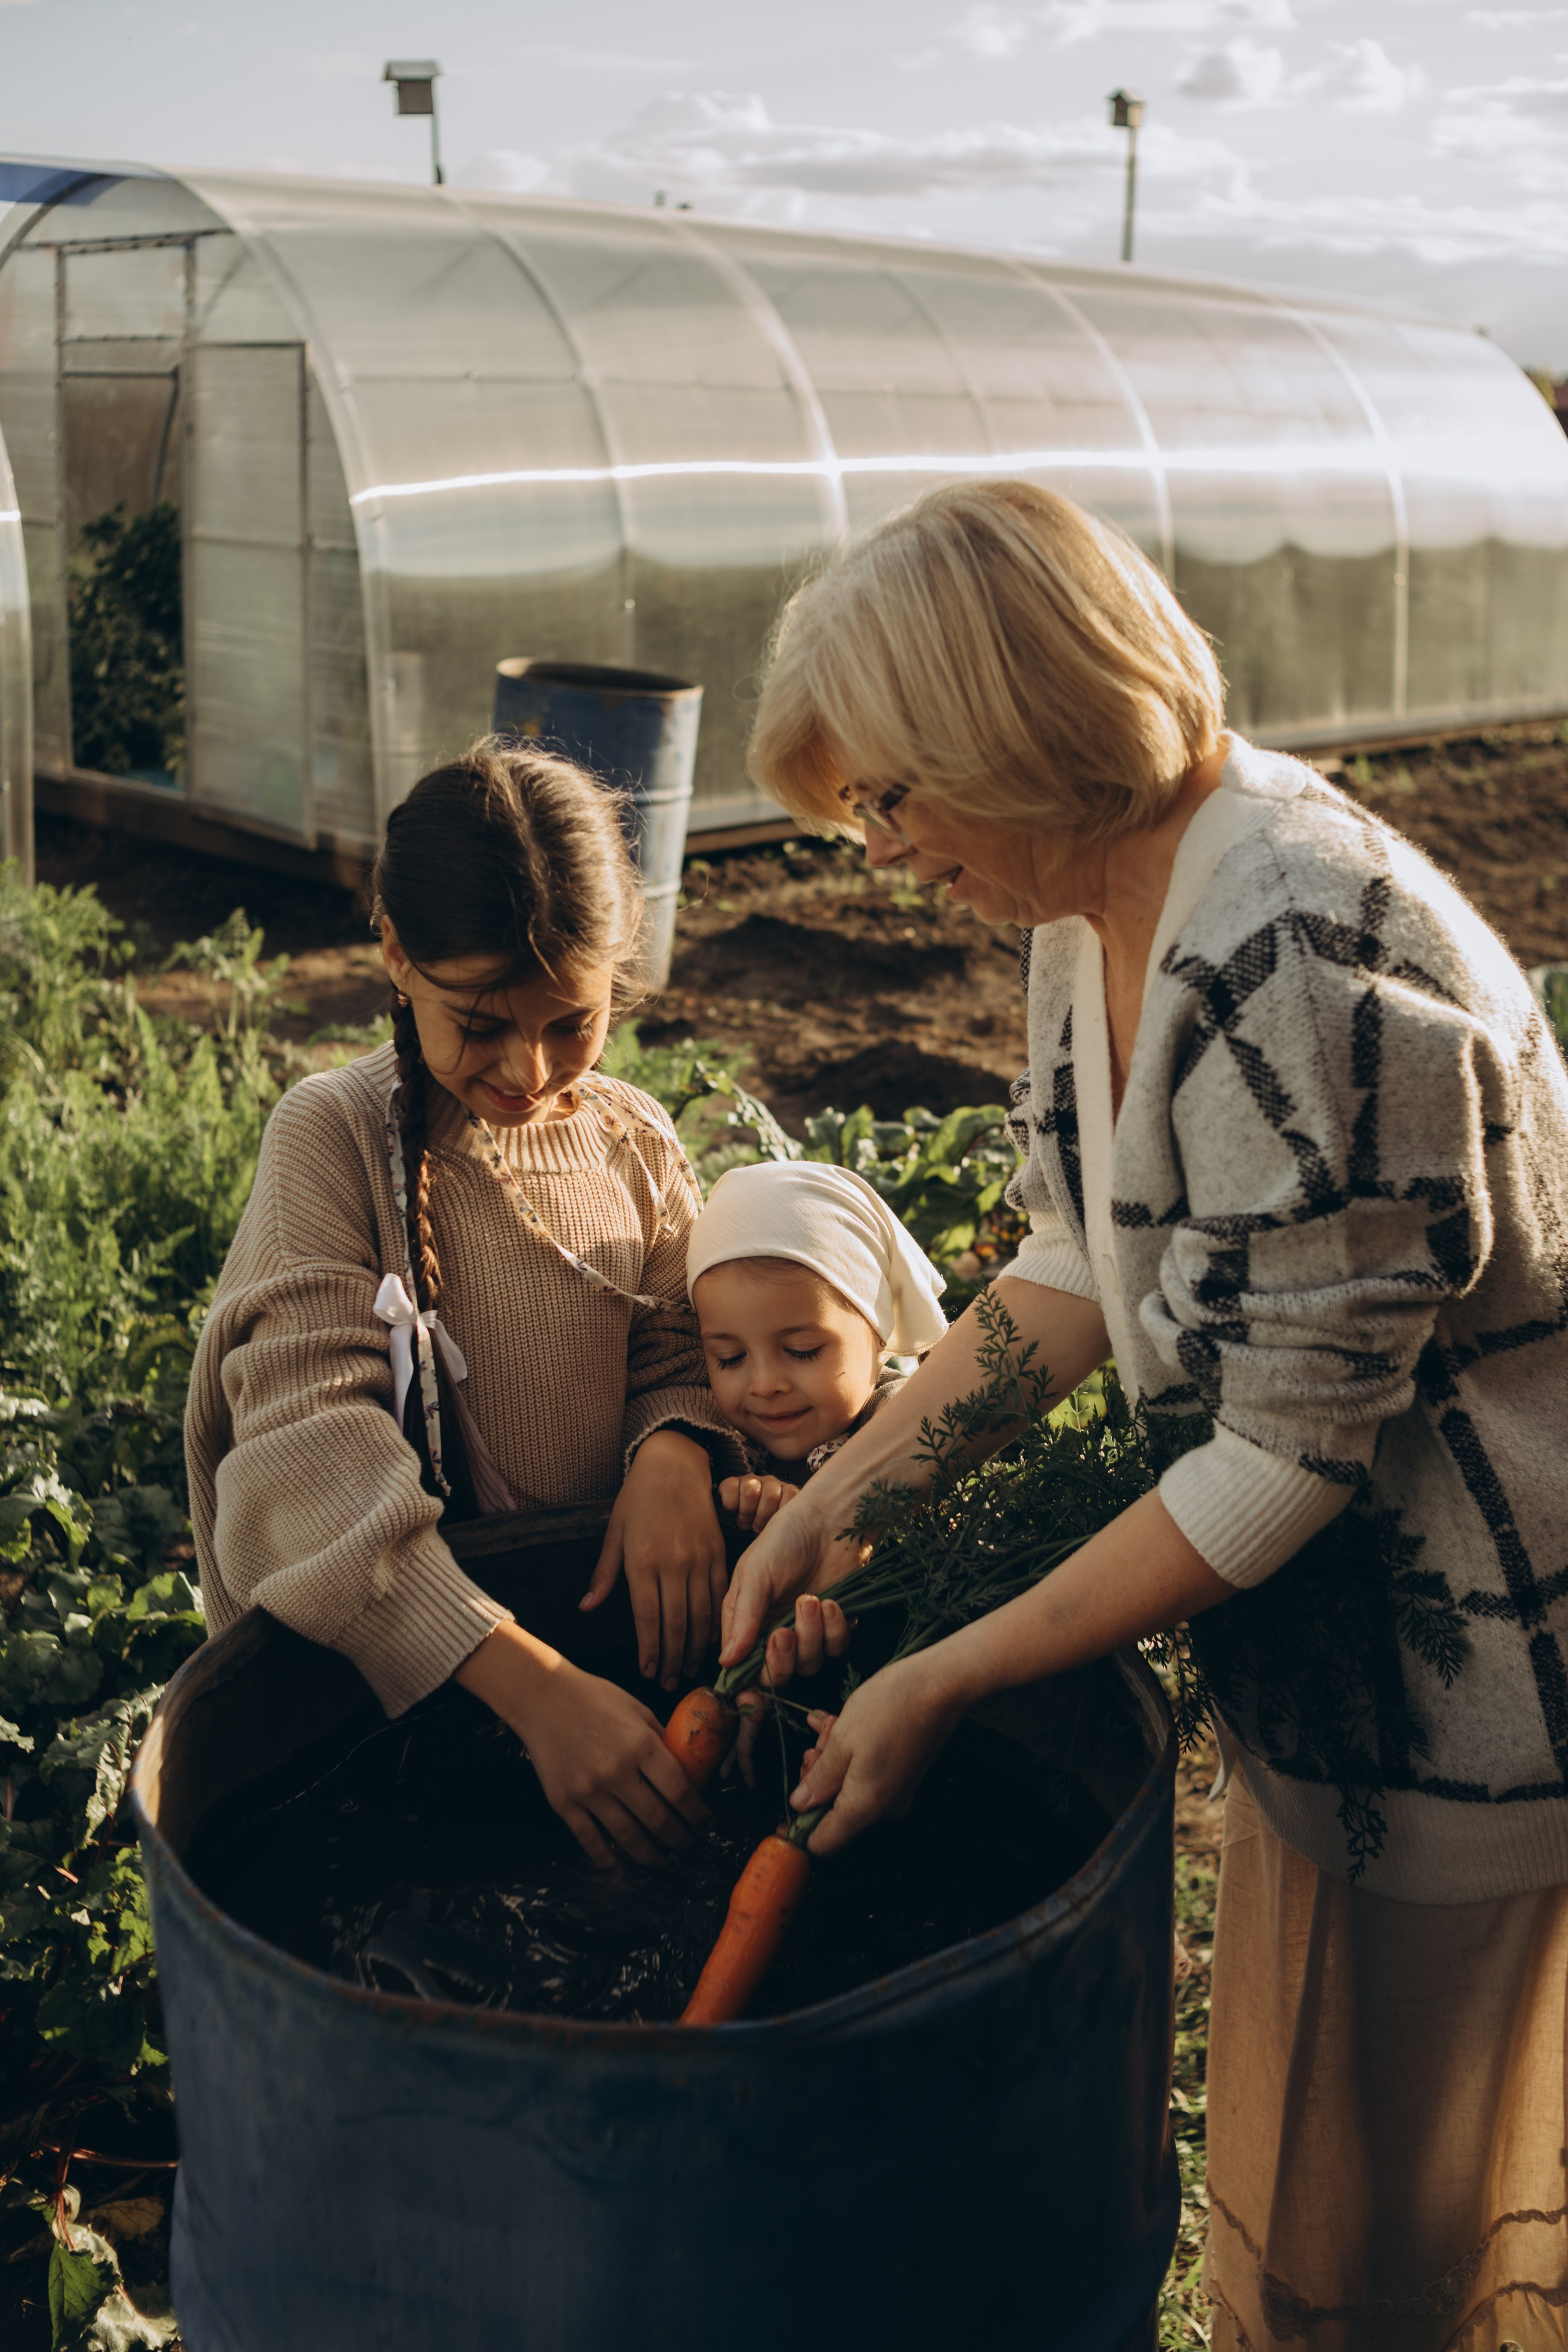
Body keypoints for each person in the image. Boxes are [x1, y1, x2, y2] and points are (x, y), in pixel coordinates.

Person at [720, 477, 1568, 2352]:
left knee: (1413, 2216)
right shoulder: (1093, 896)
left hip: (1477, 1678)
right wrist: (849, 1491)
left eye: (884, 798)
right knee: (1333, 2159)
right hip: (1336, 1670)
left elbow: (1281, 1455)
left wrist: (934, 1675)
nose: (873, 852)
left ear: (1001, 731)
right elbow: (1070, 1258)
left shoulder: (1301, 955)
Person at [186, 739, 744, 1873]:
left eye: (572, 1021)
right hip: (398, 1697)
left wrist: (675, 1446)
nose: (532, 1071)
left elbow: (680, 1338)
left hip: (606, 1681)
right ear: (394, 952)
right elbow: (309, 1457)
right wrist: (537, 1698)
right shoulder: (334, 1139)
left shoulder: (632, 1138)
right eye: (483, 1023)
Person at [687, 1159, 948, 1689]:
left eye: (802, 1351)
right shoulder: (719, 1436)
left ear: (876, 1337)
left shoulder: (902, 1424)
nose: (765, 1385)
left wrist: (815, 1502)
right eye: (730, 1358)